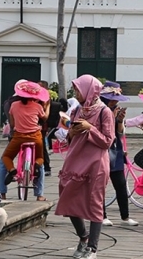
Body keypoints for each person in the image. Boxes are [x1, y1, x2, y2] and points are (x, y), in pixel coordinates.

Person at [55, 75, 115, 259]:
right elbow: (68, 139)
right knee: (67, 196)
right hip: (74, 160)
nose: (76, 94)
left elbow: (107, 141)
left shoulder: (104, 112)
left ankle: (92, 248)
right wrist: (71, 132)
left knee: (95, 203)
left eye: (78, 90)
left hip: (95, 163)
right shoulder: (77, 110)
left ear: (89, 90)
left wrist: (90, 127)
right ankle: (83, 237)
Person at [99, 81, 137, 226]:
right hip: (102, 149)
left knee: (120, 184)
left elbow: (119, 133)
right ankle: (102, 215)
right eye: (112, 98)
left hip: (115, 149)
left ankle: (125, 216)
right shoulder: (100, 110)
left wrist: (119, 120)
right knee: (101, 184)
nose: (115, 101)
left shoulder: (115, 109)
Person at [2, 80, 49, 187]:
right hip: (36, 137)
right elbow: (44, 118)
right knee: (40, 158)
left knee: (7, 157)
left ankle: (12, 170)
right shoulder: (37, 107)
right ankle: (36, 166)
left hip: (19, 137)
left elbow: (13, 124)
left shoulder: (14, 105)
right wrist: (48, 106)